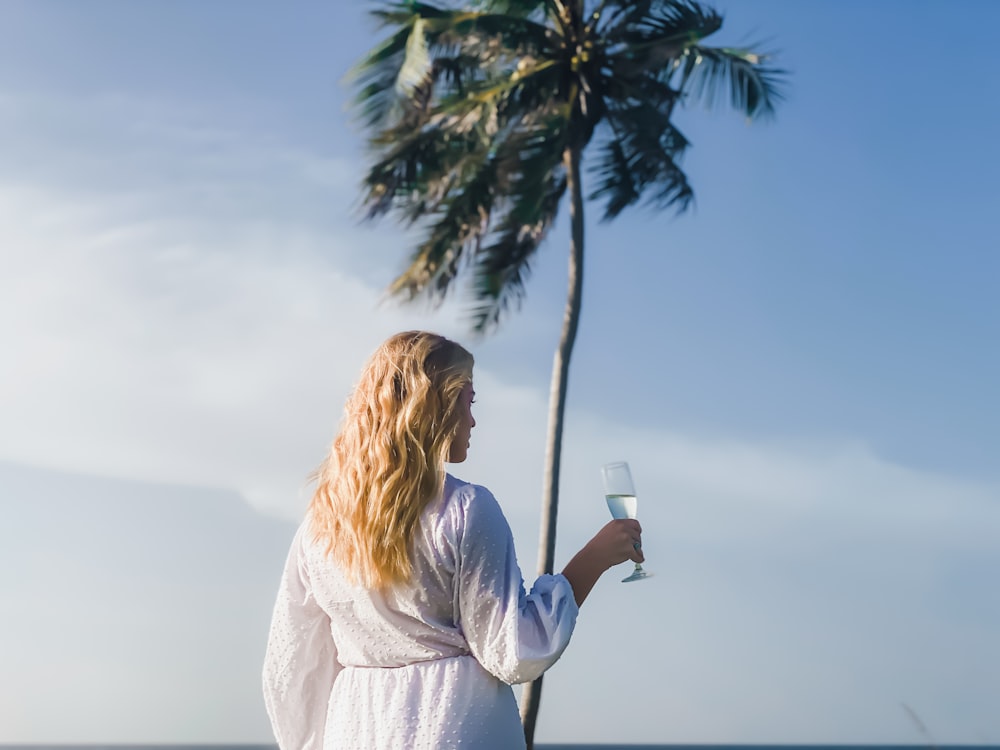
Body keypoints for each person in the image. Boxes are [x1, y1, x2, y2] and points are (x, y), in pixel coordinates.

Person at [262, 331, 643, 749]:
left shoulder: (320, 528)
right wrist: (593, 559)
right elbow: (514, 650)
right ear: (437, 406)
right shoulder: (466, 508)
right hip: (452, 729)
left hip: (354, 732)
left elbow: (293, 668)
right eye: (468, 401)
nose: (473, 419)